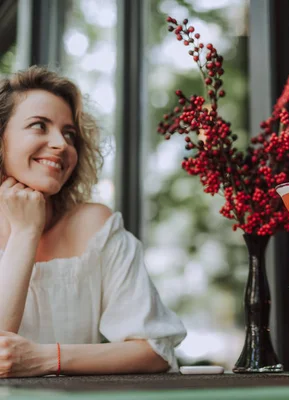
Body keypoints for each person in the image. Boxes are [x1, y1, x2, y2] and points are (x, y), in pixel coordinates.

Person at [0, 66, 186, 378]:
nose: (61, 143)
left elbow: (155, 350)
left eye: (69, 133)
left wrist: (48, 358)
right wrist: (25, 233)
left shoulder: (94, 225)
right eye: (39, 126)